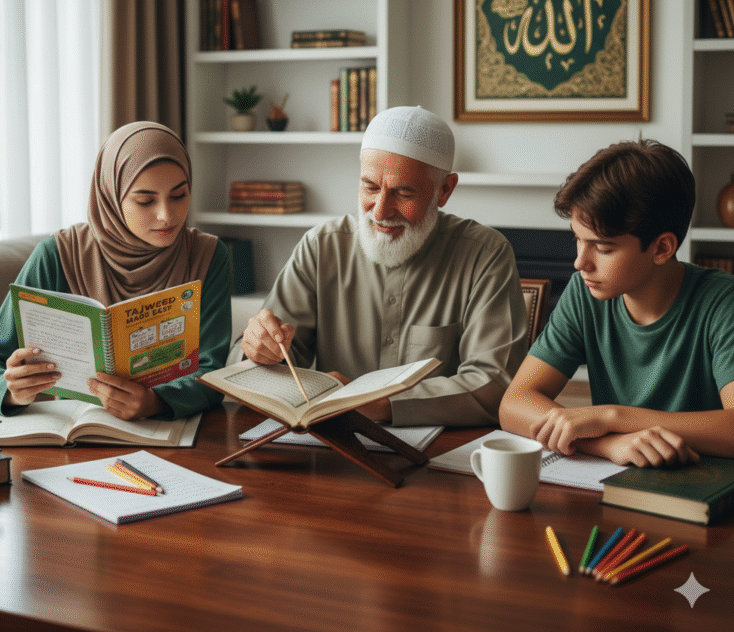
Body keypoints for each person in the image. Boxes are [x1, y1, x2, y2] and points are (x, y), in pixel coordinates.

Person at [230, 106, 528, 426]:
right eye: (371, 187)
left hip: (442, 452)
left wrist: (388, 404)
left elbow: (495, 382)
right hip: (328, 445)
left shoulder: (485, 255)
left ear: (444, 190)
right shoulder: (321, 247)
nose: (381, 210)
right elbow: (265, 363)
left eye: (403, 192)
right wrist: (257, 350)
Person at [0, 121, 231, 420]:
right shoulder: (57, 255)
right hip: (73, 433)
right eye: (146, 200)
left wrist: (155, 402)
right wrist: (11, 390)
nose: (166, 215)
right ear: (111, 196)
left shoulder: (208, 256)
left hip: (170, 434)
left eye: (179, 195)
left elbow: (214, 372)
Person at [499, 139, 734, 467]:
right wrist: (609, 444)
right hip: (613, 484)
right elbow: (514, 404)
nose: (580, 263)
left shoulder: (722, 303)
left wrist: (612, 416)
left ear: (662, 248)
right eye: (577, 240)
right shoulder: (585, 295)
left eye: (603, 248)